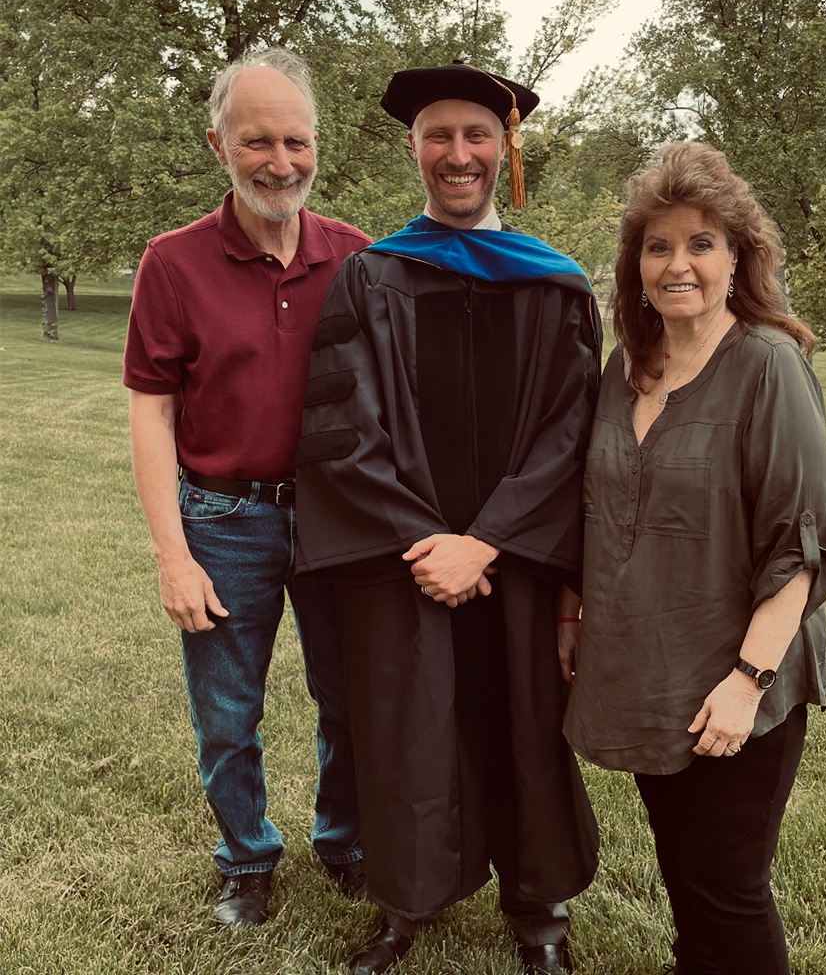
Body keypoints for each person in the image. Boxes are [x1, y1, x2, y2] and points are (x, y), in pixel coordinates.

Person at [294, 62, 601, 975]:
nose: (457, 153)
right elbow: (343, 431)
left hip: (515, 557)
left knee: (526, 719)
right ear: (413, 147)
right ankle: (404, 902)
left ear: (506, 149)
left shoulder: (556, 286)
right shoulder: (371, 277)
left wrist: (488, 539)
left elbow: (574, 429)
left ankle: (536, 906)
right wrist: (432, 545)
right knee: (405, 727)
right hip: (407, 559)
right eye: (438, 135)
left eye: (477, 135)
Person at [562, 141, 826, 975]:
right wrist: (569, 612)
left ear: (737, 257)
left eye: (700, 243)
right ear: (636, 262)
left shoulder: (766, 364)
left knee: (728, 886)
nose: (677, 263)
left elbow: (803, 547)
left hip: (733, 679)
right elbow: (593, 509)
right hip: (649, 673)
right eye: (658, 245)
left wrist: (747, 682)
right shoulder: (625, 368)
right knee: (685, 873)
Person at [124, 48, 370, 926]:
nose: (280, 161)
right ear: (217, 145)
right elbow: (150, 413)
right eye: (257, 140)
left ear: (318, 145)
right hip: (225, 518)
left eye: (296, 140)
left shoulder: (357, 257)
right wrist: (173, 554)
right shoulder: (173, 263)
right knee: (228, 712)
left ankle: (345, 841)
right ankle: (247, 858)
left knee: (353, 696)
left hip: (341, 517)